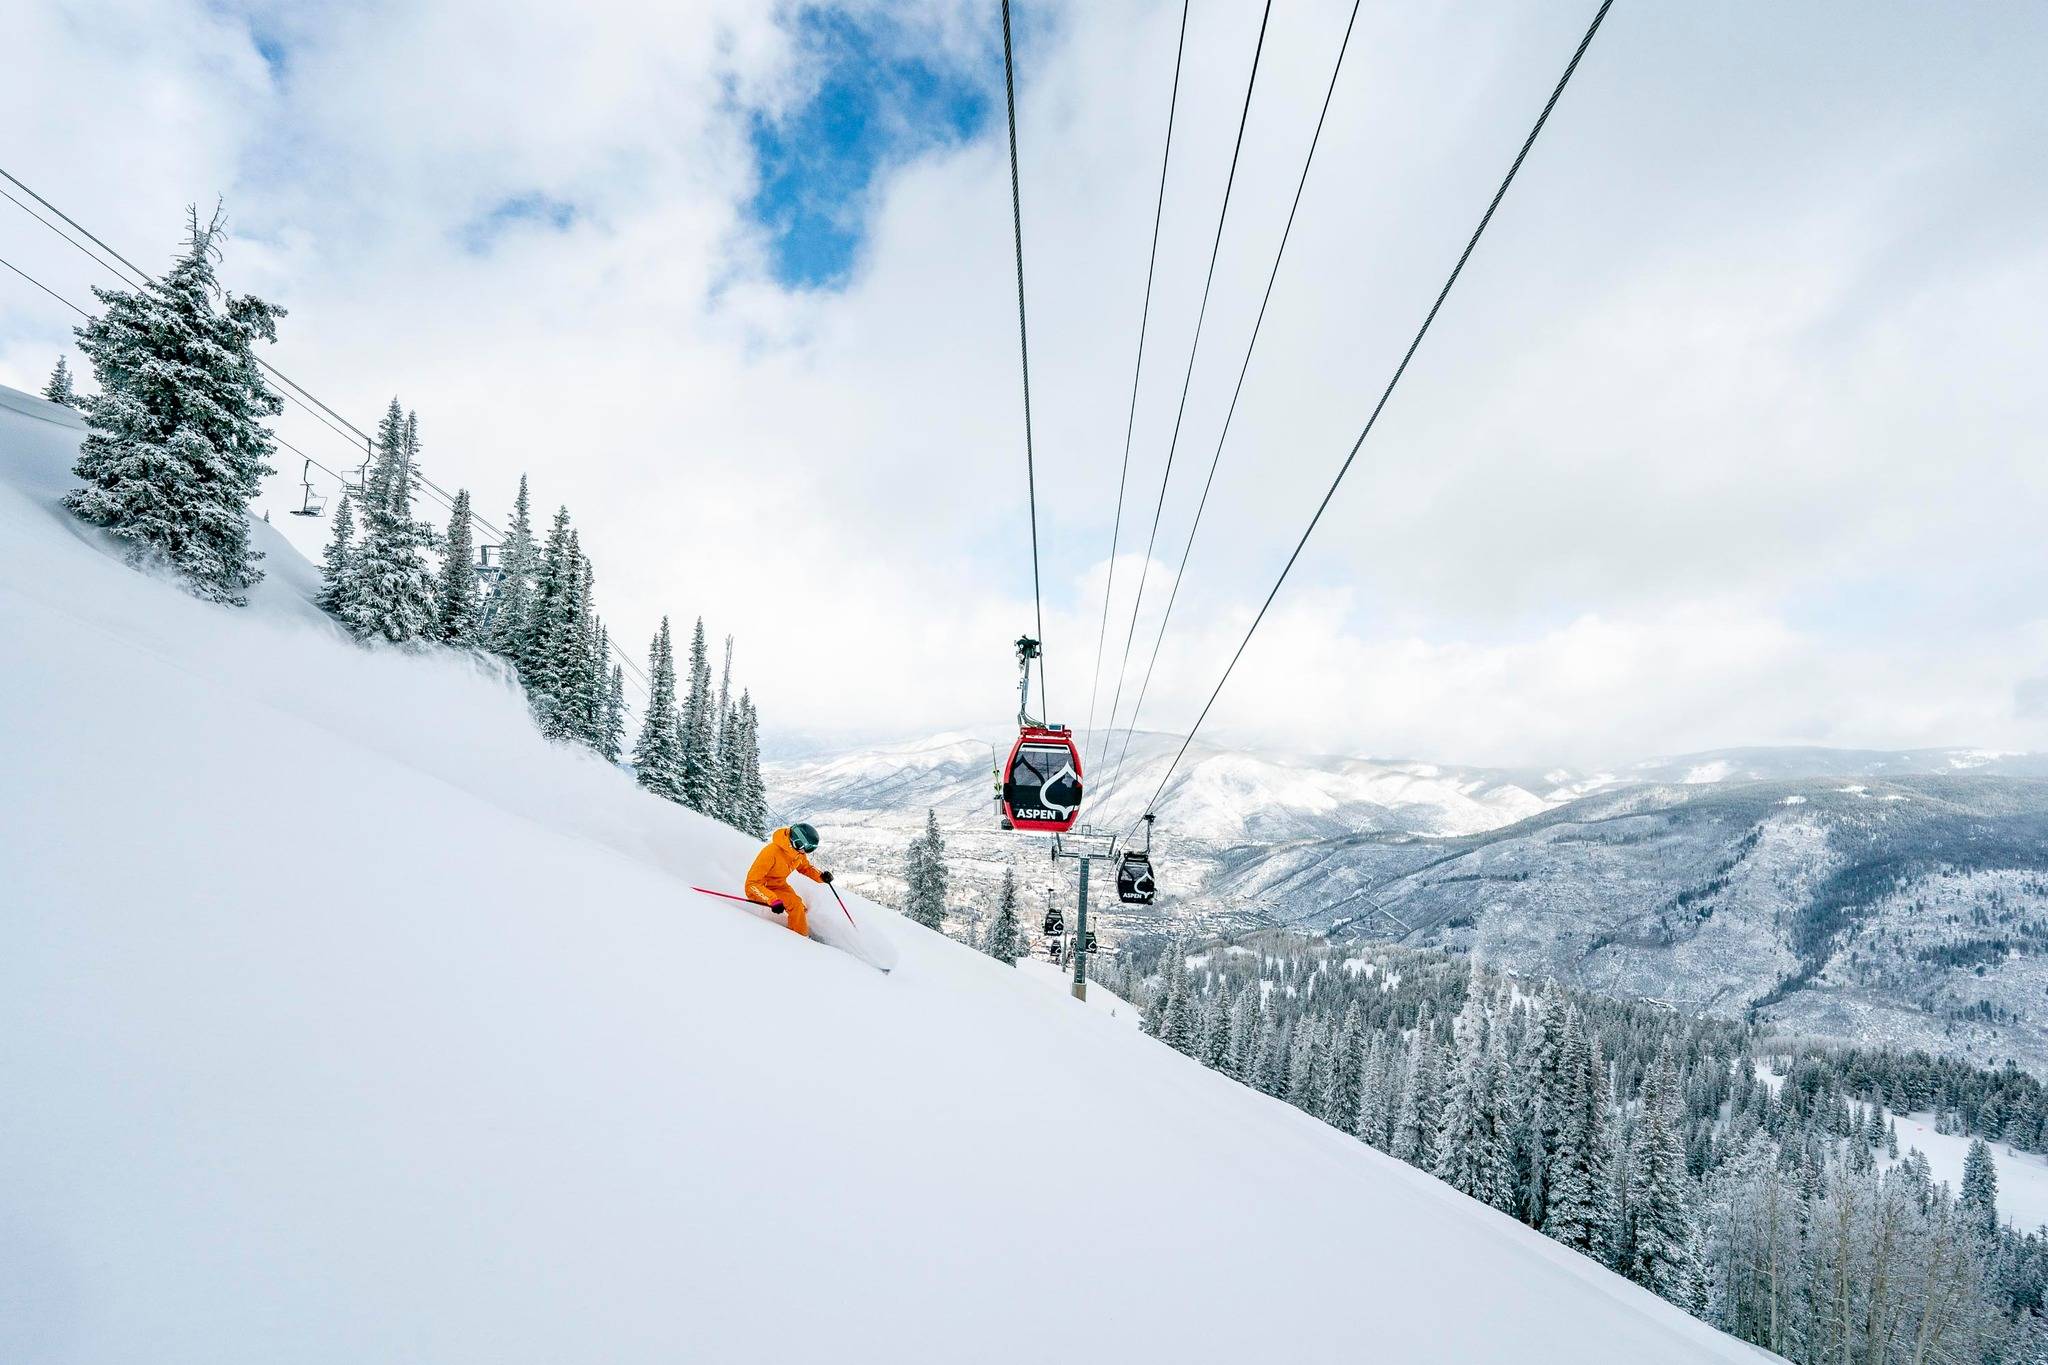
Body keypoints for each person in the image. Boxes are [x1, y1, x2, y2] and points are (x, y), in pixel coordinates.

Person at [746, 822, 834, 937]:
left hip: (779, 886)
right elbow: (751, 884)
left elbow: (805, 868)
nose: (806, 852)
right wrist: (772, 900)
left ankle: (799, 927)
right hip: (761, 889)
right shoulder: (771, 852)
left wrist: (821, 876)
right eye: (807, 848)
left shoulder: (797, 853)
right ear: (798, 843)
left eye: (810, 849)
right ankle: (800, 938)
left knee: (801, 908)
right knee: (796, 906)